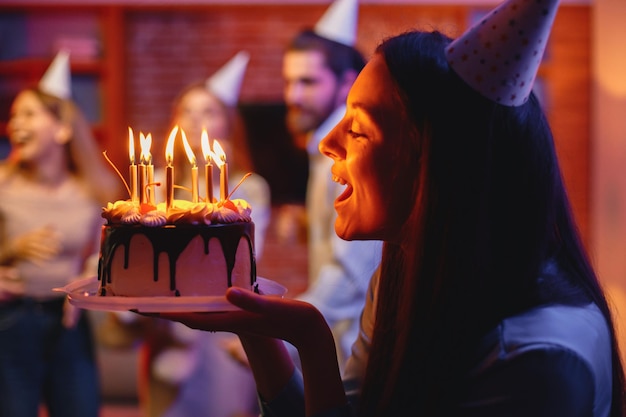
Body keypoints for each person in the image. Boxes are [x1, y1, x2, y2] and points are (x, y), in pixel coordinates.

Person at [160, 1, 626, 416]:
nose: (327, 143)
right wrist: (262, 334)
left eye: (359, 130)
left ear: (436, 162)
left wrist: (313, 337)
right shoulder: (403, 275)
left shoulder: (534, 362)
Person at [99, 51, 270, 417]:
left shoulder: (249, 190)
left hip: (224, 329)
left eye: (208, 111)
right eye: (187, 112)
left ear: (228, 122)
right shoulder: (155, 188)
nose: (196, 121)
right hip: (166, 328)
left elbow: (245, 259)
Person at [0, 51, 120, 417]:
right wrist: (9, 251)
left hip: (70, 322)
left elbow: (113, 257)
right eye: (14, 115)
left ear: (62, 128)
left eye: (29, 114)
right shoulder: (2, 183)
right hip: (11, 321)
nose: (14, 124)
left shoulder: (94, 191)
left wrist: (90, 277)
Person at [278, 0, 382, 370]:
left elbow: (350, 276)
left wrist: (281, 333)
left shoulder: (349, 153)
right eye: (289, 81)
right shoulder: (320, 151)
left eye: (307, 82)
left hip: (359, 352)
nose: (292, 96)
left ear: (346, 83)